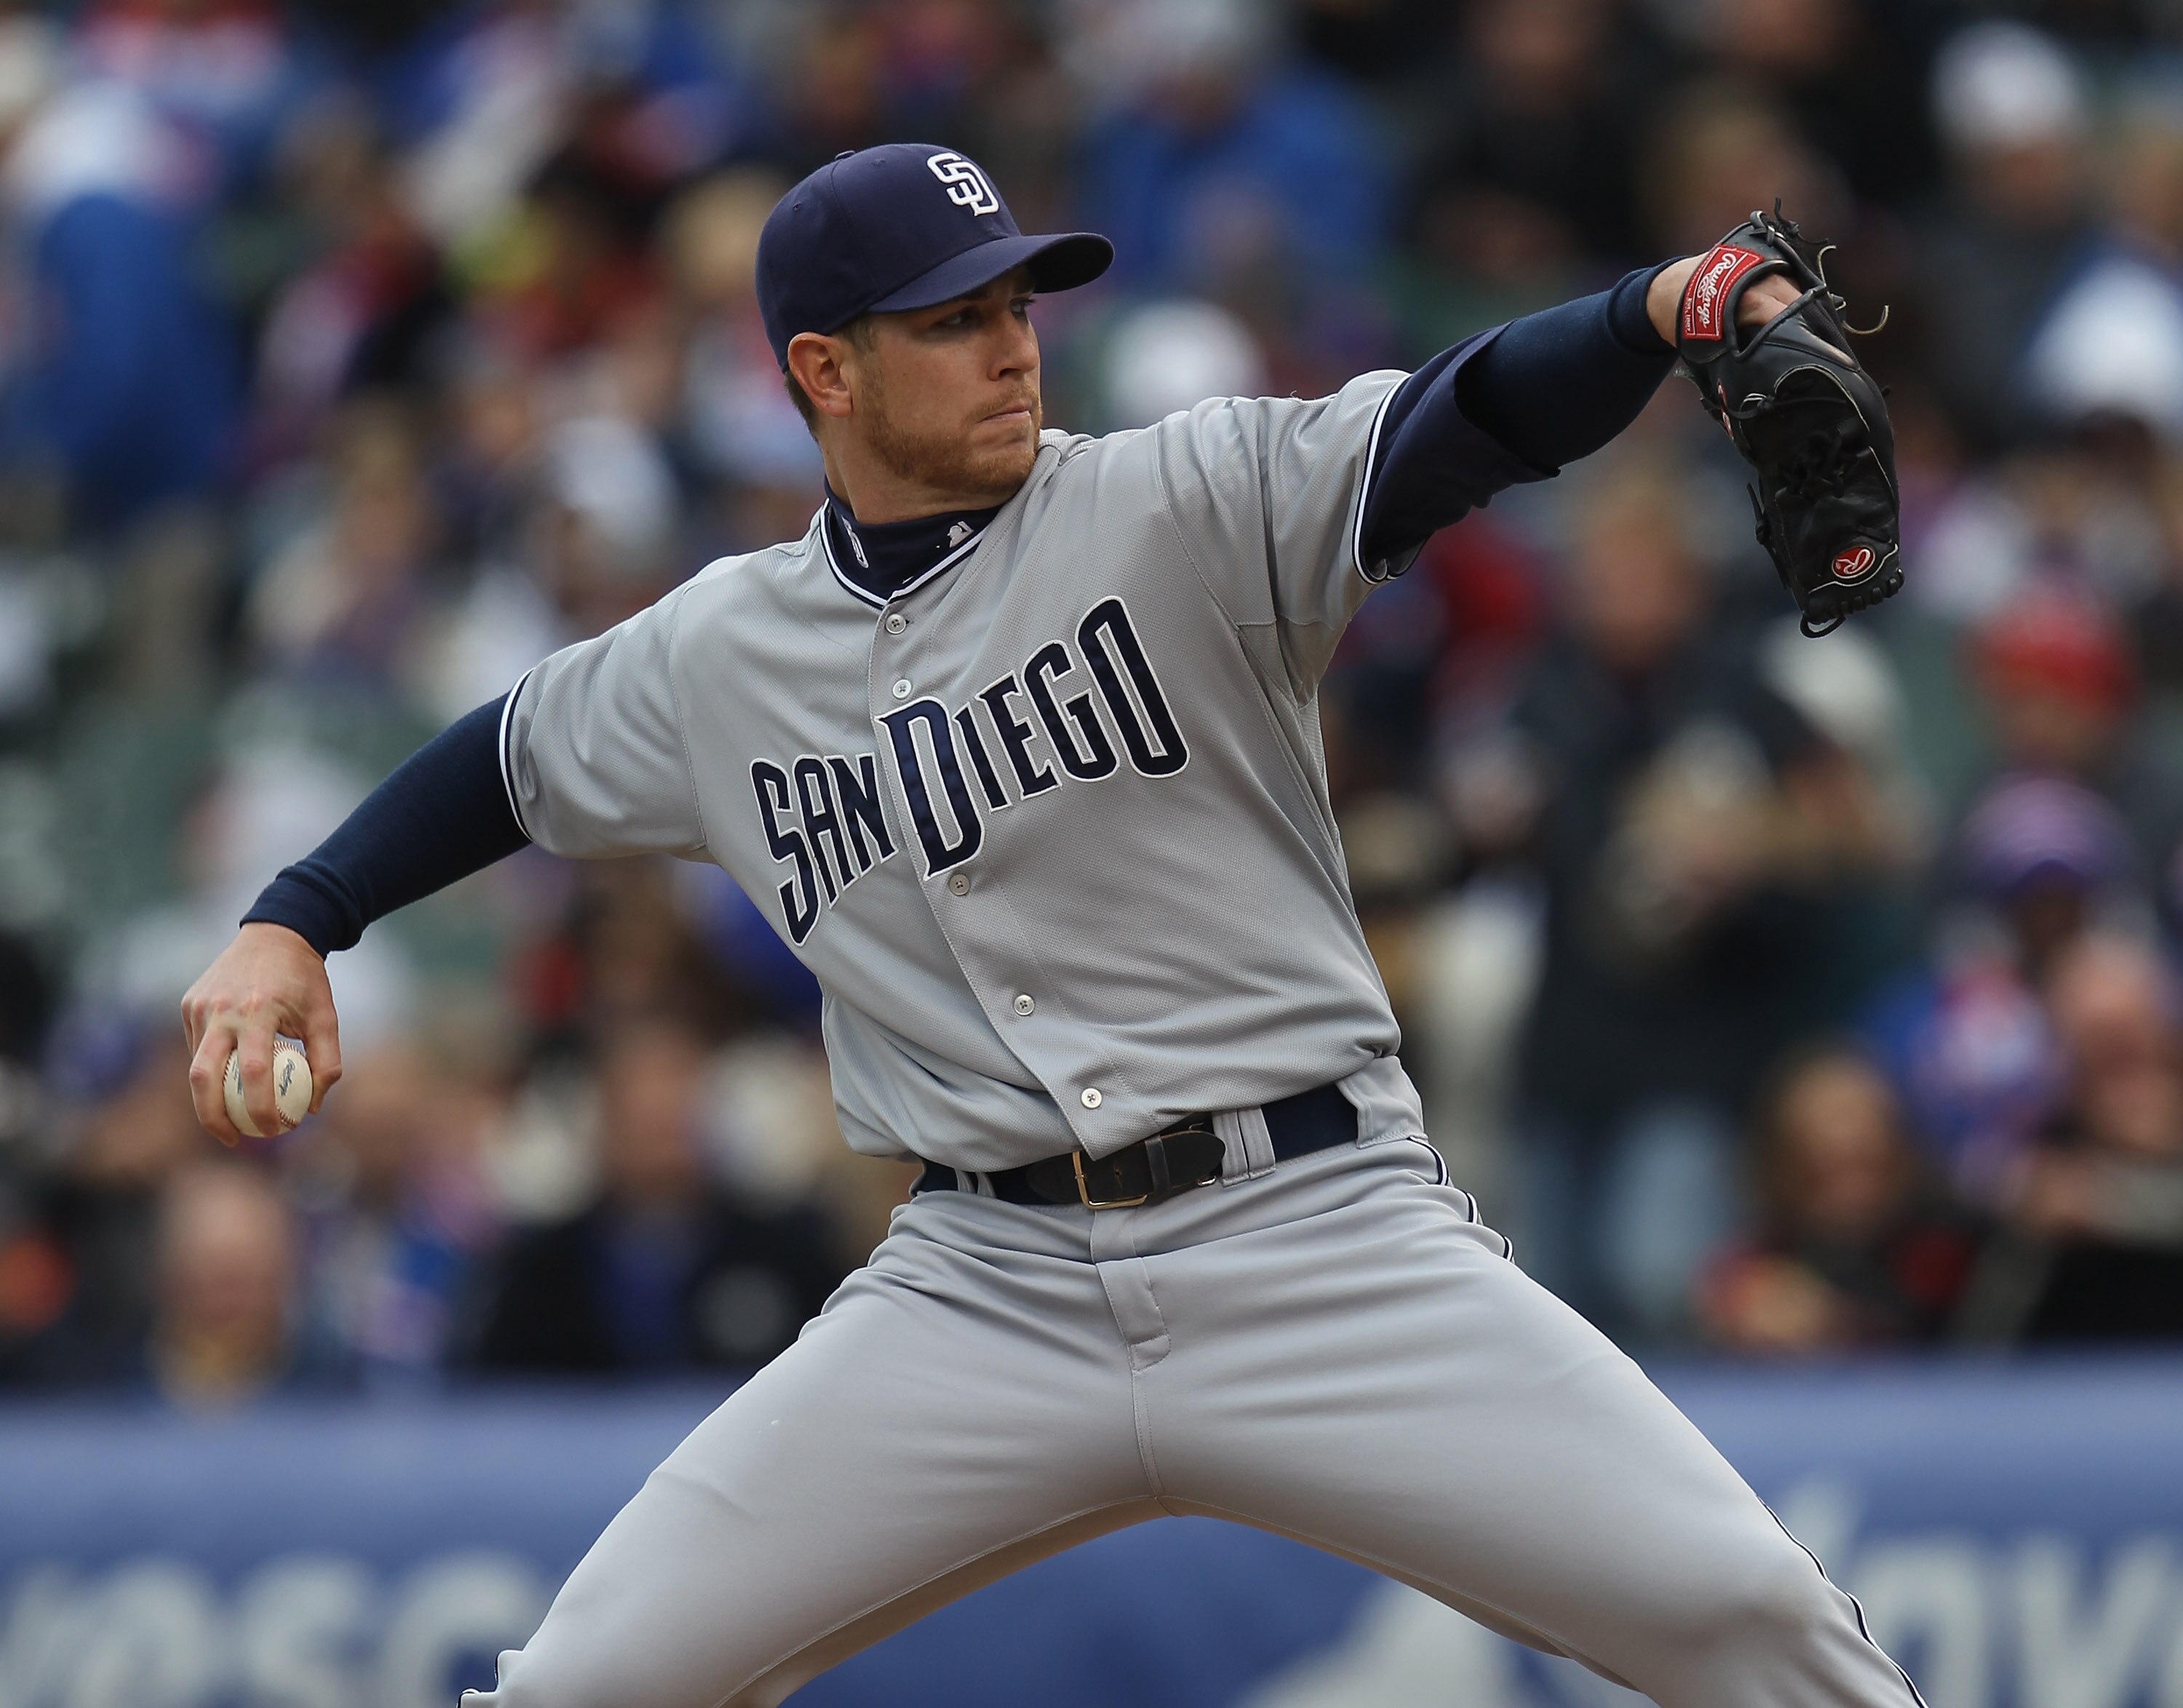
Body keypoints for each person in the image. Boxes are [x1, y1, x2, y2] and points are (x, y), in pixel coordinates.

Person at [182, 144, 1921, 1708]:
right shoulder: (717, 655)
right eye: (953, 319)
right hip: (981, 1292)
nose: (1014, 342)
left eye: (1018, 300)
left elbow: (1456, 419)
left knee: (1755, 1623)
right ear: (823, 370)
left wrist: (1659, 306)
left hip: (1313, 1235)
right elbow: (501, 759)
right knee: (584, 1689)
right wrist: (296, 917)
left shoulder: (1179, 501)